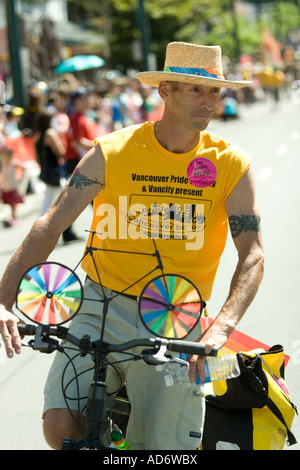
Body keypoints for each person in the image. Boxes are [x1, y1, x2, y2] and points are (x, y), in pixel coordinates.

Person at [0, 42, 264, 450]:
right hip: (99, 303)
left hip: (176, 314)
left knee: (161, 451)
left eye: (215, 91)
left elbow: (253, 254)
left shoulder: (231, 163)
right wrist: (3, 300)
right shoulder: (112, 152)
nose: (209, 101)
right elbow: (50, 224)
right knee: (61, 428)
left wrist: (221, 328)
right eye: (195, 89)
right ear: (165, 91)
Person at [62, 87, 95, 243]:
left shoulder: (79, 117)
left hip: (78, 162)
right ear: (77, 101)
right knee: (77, 200)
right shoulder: (77, 118)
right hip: (78, 163)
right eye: (85, 98)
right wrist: (99, 144)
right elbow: (77, 142)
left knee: (89, 197)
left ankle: (107, 228)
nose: (88, 101)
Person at [34, 108, 66, 216]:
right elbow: (61, 152)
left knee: (49, 200)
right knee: (63, 200)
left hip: (46, 172)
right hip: (54, 171)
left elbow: (37, 158)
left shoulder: (37, 135)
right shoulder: (50, 134)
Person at [0, 146, 24, 226]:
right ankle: (13, 217)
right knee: (10, 205)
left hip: (12, 186)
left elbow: (23, 167)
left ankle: (14, 218)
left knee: (12, 204)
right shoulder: (2, 164)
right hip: (5, 187)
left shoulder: (13, 162)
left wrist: (21, 178)